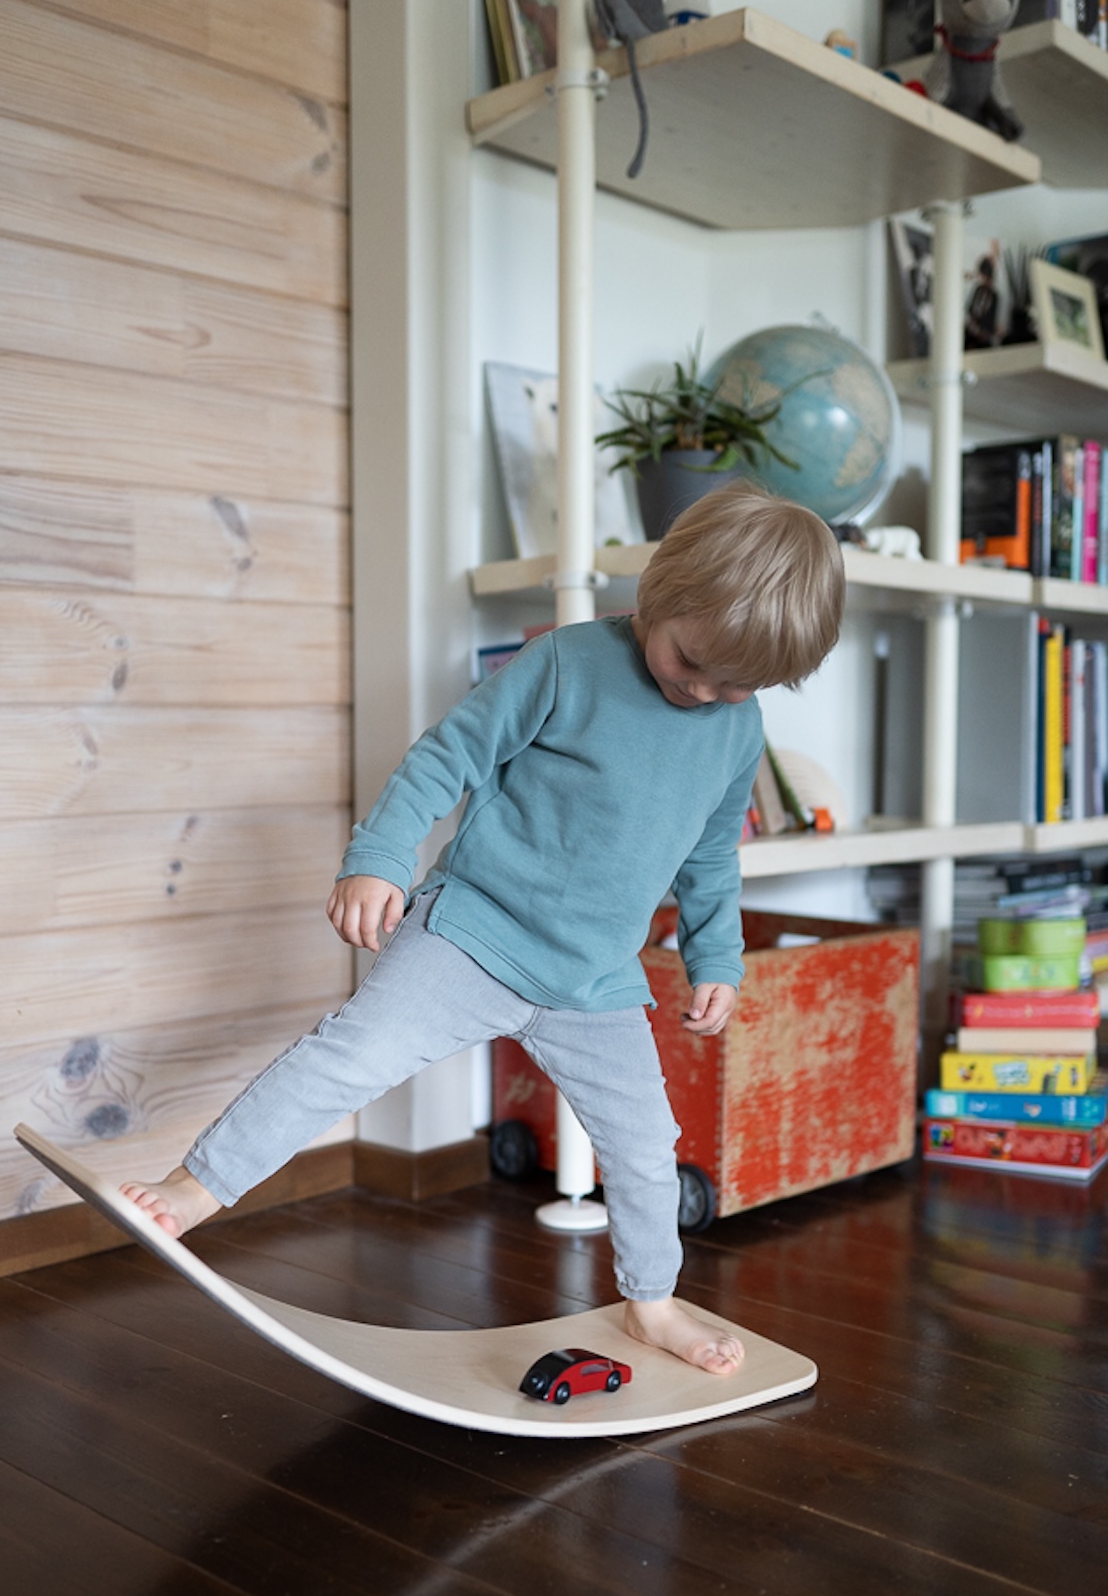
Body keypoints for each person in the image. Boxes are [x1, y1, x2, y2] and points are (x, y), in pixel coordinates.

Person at [121, 479, 845, 1376]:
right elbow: (446, 756)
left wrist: (717, 955)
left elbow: (709, 856)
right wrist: (379, 857)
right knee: (345, 1054)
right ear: (664, 590)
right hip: (473, 933)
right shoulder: (565, 665)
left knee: (648, 1150)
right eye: (691, 659)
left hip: (596, 980)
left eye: (736, 683)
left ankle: (651, 1301)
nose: (702, 690)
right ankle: (194, 1188)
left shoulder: (737, 732)